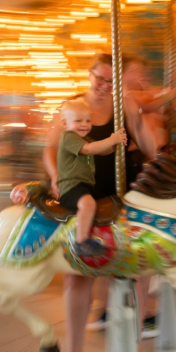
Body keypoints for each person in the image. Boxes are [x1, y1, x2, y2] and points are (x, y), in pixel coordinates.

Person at [43, 54, 159, 352]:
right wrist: (55, 176)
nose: (104, 85)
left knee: (133, 272)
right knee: (78, 277)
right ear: (90, 75)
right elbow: (50, 149)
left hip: (117, 195)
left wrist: (136, 113)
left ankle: (135, 351)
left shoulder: (123, 104)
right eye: (100, 78)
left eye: (111, 81)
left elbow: (151, 148)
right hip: (83, 194)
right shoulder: (71, 108)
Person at [57, 98, 127, 257]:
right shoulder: (68, 137)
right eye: (78, 120)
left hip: (82, 186)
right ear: (65, 123)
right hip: (71, 187)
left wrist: (114, 144)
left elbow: (101, 150)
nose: (84, 124)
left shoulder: (85, 139)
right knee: (88, 204)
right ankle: (81, 242)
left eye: (88, 120)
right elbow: (89, 150)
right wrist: (111, 139)